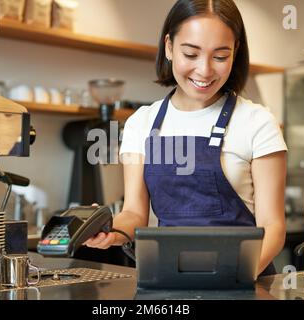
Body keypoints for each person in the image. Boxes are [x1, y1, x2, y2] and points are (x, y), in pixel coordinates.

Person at [85, 0, 287, 276]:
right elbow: (134, 213)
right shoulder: (141, 123)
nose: (204, 70)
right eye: (191, 54)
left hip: (246, 281)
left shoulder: (257, 122)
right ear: (169, 46)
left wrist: (236, 279)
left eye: (220, 56)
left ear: (235, 52)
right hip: (170, 279)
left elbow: (273, 227)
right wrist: (111, 231)